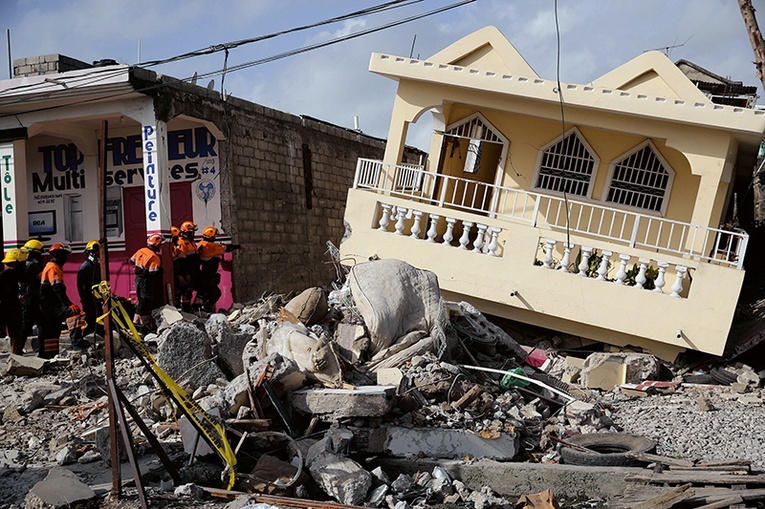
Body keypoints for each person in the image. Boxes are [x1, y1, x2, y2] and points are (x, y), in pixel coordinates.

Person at [39, 243, 82, 358]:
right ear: (59, 255)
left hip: (48, 305)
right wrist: (69, 304)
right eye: (64, 255)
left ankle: (50, 354)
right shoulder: (53, 267)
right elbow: (57, 289)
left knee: (54, 329)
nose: (66, 259)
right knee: (74, 313)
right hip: (51, 305)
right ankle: (77, 344)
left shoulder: (51, 266)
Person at [196, 226, 242, 312]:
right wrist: (239, 246)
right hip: (209, 275)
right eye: (214, 237)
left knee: (207, 293)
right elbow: (227, 248)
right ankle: (206, 309)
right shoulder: (210, 246)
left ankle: (203, 309)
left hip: (204, 274)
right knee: (214, 293)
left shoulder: (201, 244)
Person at [130, 234, 163, 331]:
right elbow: (153, 274)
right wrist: (161, 270)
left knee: (142, 301)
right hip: (146, 281)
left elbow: (131, 261)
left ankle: (139, 324)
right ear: (156, 245)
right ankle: (141, 326)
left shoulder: (141, 250)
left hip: (138, 279)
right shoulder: (154, 257)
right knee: (145, 301)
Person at [0, 249, 29, 355]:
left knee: (15, 333)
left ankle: (15, 355)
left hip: (8, 308)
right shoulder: (24, 276)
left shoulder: (3, 275)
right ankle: (15, 355)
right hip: (11, 309)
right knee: (15, 333)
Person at [20, 239, 44, 343]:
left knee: (26, 326)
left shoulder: (29, 265)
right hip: (33, 299)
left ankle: (18, 351)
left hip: (31, 300)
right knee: (39, 325)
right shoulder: (33, 266)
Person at [77, 240, 102, 336]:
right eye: (95, 252)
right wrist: (85, 299)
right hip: (89, 300)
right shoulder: (85, 267)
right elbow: (81, 287)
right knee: (91, 321)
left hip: (97, 299)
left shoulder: (97, 266)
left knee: (99, 322)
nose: (97, 254)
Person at [175, 221, 200, 312]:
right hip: (187, 271)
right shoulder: (181, 242)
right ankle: (184, 310)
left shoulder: (191, 242)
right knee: (185, 292)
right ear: (186, 232)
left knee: (191, 291)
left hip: (194, 270)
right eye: (191, 232)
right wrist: (185, 274)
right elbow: (182, 261)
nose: (193, 234)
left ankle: (190, 309)